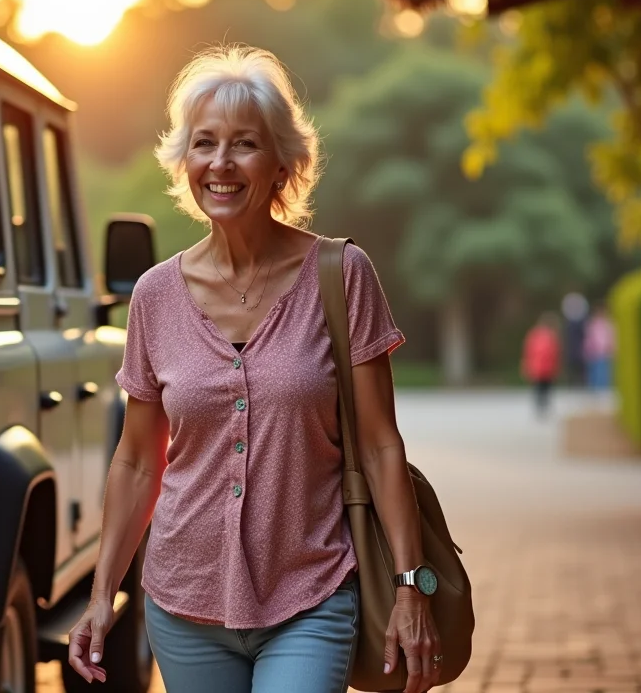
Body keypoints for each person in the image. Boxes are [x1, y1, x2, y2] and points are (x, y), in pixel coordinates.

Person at [65, 44, 443, 693]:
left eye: (244, 144)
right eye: (204, 143)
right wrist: (102, 593)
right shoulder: (154, 297)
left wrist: (410, 585)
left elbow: (382, 444)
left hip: (311, 590)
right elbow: (135, 460)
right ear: (184, 161)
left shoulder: (342, 275)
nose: (220, 162)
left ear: (282, 165)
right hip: (183, 600)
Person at [521, 312, 561, 419]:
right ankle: (542, 406)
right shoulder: (549, 336)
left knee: (541, 388)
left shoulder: (534, 335)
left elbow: (528, 351)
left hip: (539, 367)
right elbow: (554, 353)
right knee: (543, 388)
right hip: (544, 367)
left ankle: (541, 407)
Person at [583, 306, 616, 394]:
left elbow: (611, 338)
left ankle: (602, 390)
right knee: (595, 372)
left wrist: (611, 348)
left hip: (604, 352)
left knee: (602, 372)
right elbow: (589, 338)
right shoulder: (593, 324)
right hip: (594, 352)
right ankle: (595, 390)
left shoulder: (608, 324)